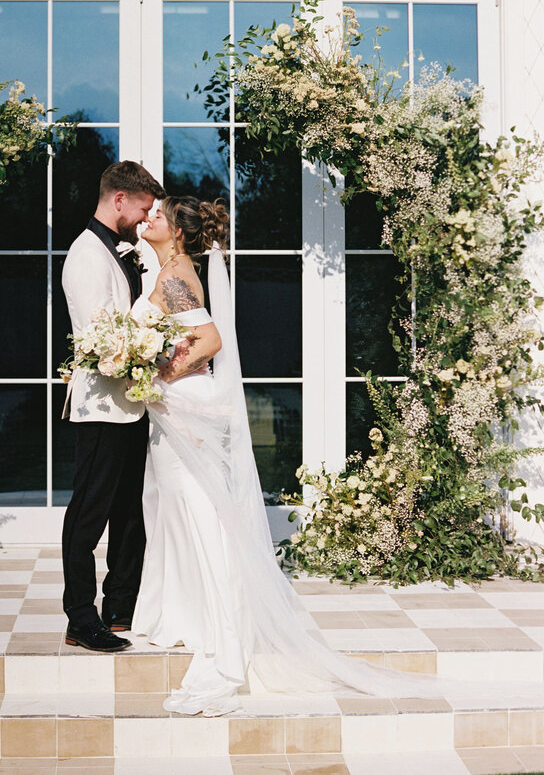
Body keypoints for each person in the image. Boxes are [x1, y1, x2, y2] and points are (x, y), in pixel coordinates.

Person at [131, 195, 444, 714]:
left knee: (200, 512)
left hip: (185, 406)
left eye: (157, 215)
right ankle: (185, 611)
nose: (148, 219)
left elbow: (208, 340)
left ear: (178, 233)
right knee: (178, 510)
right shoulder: (167, 268)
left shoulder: (176, 275)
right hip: (175, 410)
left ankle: (220, 627)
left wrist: (160, 372)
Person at [61, 160, 165, 652]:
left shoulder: (124, 249)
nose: (145, 220)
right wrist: (149, 348)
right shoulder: (85, 255)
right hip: (102, 405)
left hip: (132, 404)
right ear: (118, 199)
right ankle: (81, 618)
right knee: (89, 515)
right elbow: (98, 339)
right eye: (142, 209)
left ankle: (119, 607)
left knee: (130, 513)